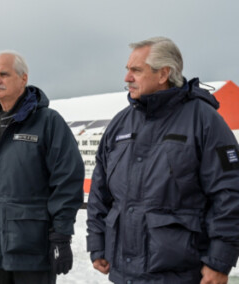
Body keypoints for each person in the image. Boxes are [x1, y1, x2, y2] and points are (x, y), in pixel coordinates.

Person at [86, 36, 239, 284]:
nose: (127, 78)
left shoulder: (204, 121)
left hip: (181, 274)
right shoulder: (119, 124)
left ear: (163, 74)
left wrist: (219, 261)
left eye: (136, 70)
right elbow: (99, 192)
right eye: (127, 70)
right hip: (124, 274)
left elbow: (229, 194)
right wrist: (96, 242)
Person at [0, 50, 84, 284]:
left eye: (4, 74)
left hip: (31, 252)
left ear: (23, 78)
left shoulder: (47, 122)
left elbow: (67, 180)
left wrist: (61, 235)